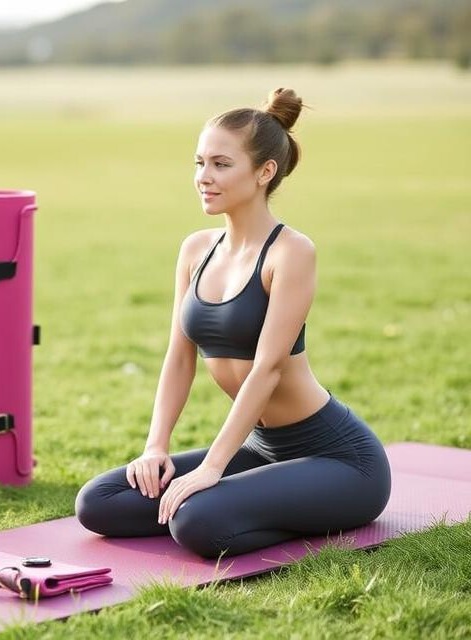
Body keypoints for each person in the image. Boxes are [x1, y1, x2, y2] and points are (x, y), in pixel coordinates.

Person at [75, 88, 391, 559]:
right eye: (199, 163)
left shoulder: (291, 252)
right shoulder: (195, 249)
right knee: (101, 502)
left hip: (338, 460)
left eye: (221, 164)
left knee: (197, 522)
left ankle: (273, 513)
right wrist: (155, 446)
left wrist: (212, 469)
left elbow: (268, 368)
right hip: (264, 450)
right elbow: (179, 357)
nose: (204, 177)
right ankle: (250, 505)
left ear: (265, 172)